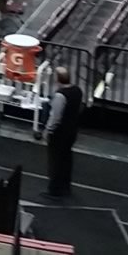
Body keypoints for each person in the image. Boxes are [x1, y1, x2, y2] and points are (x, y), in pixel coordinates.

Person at [43, 66, 84, 198]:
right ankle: (65, 187)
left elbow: (55, 116)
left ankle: (54, 190)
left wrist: (48, 130)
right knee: (66, 159)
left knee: (56, 161)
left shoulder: (60, 95)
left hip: (60, 132)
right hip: (72, 130)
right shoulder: (77, 90)